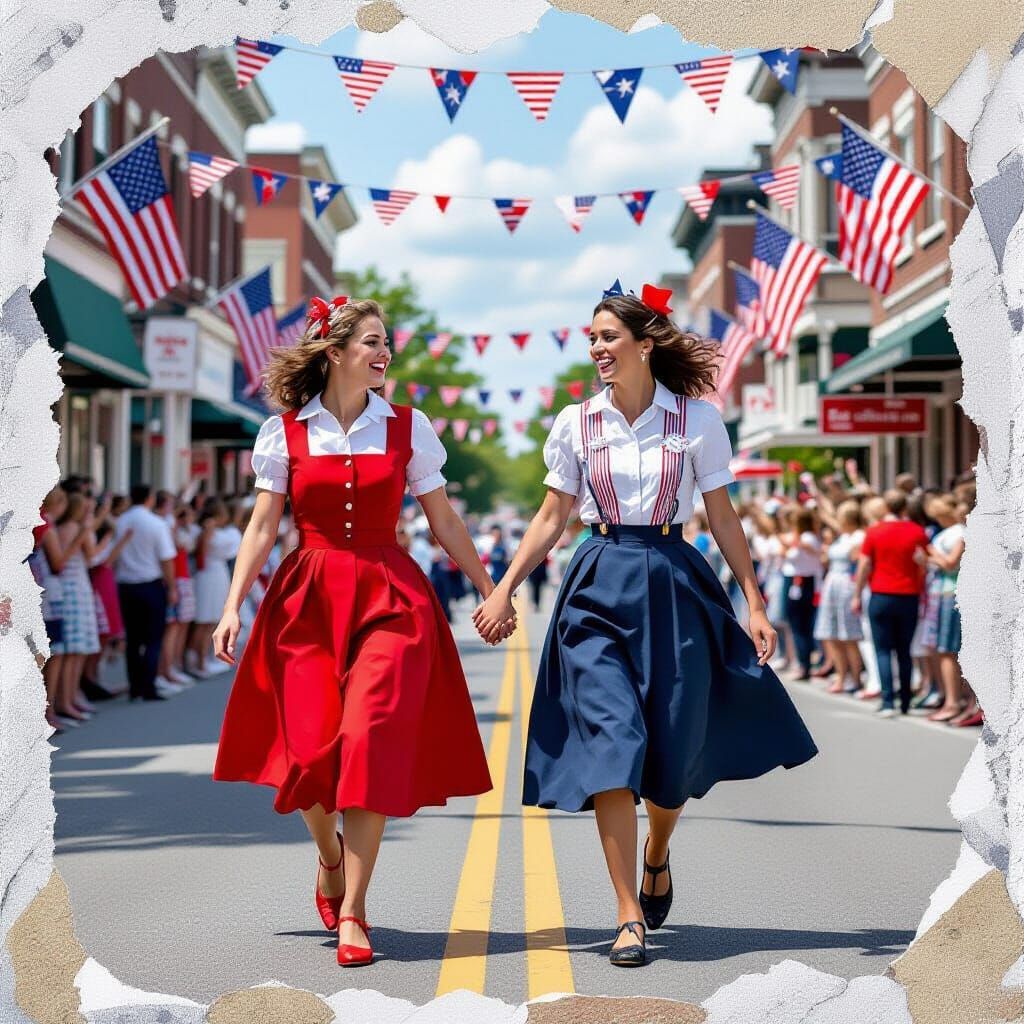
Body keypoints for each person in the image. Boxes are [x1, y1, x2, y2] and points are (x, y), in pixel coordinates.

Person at [473, 284, 818, 967]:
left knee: (670, 744)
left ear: (645, 343)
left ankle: (658, 850)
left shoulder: (697, 419)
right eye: (592, 338)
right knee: (612, 741)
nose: (597, 349)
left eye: (608, 337)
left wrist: (751, 598)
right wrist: (504, 587)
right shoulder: (576, 423)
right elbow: (552, 517)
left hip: (673, 578)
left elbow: (722, 517)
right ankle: (627, 912)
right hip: (597, 578)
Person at [211, 295, 504, 967]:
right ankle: (329, 855)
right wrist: (233, 605)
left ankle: (354, 911)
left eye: (386, 343)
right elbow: (262, 527)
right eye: (372, 342)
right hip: (306, 599)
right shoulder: (281, 432)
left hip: (390, 596)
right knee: (310, 751)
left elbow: (445, 520)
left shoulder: (409, 425)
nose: (384, 353)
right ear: (335, 352)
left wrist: (490, 587)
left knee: (371, 738)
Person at [852, 489, 928, 717]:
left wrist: (857, 594)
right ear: (905, 507)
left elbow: (864, 565)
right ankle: (905, 700)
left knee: (883, 650)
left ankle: (887, 702)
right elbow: (922, 564)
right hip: (908, 595)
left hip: (881, 595)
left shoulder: (874, 531)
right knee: (904, 650)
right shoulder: (917, 531)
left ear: (885, 507)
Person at [112, 483, 177, 702]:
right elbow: (166, 558)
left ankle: (134, 687)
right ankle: (148, 686)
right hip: (150, 584)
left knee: (133, 639)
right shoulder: (156, 524)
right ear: (149, 499)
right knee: (153, 638)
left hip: (126, 585)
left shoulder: (120, 521)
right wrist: (172, 587)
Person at [54, 493, 102, 724]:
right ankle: (66, 700)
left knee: (77, 649)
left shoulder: (68, 526)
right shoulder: (74, 528)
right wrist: (91, 535)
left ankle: (70, 699)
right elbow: (92, 557)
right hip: (73, 589)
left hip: (75, 587)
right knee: (74, 649)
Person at [813, 500, 865, 695]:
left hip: (846, 583)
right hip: (832, 582)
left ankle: (856, 678)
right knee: (832, 632)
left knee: (848, 634)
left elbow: (857, 560)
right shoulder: (843, 536)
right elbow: (828, 515)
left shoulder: (859, 537)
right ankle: (842, 676)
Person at [780, 506, 822, 682]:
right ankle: (802, 662)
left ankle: (804, 665)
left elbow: (798, 551)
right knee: (796, 625)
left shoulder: (808, 538)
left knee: (800, 625)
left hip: (803, 581)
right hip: (795, 580)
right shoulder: (800, 538)